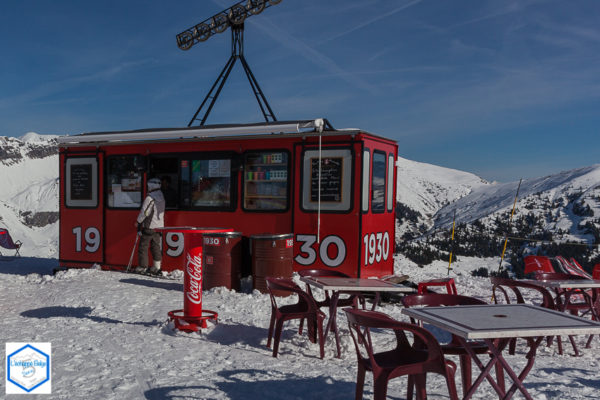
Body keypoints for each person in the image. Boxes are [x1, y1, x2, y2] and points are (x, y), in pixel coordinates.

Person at [135, 177, 165, 275]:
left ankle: (142, 267)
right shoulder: (161, 196)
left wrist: (138, 222)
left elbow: (145, 212)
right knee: (155, 246)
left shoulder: (150, 198)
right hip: (159, 226)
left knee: (143, 247)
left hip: (149, 226)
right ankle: (156, 267)